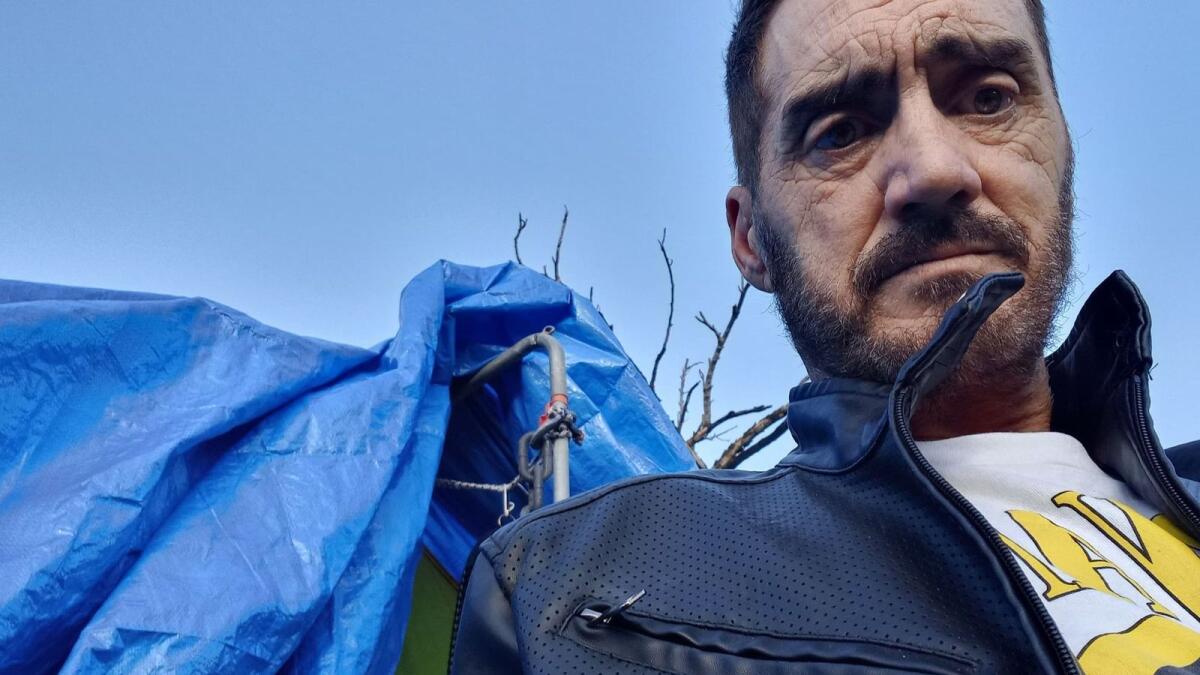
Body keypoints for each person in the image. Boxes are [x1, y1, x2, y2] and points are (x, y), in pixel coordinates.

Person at [449, 0, 1200, 672]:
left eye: (987, 98)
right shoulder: (567, 586)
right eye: (839, 133)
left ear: (1063, 143)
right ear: (751, 239)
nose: (934, 170)